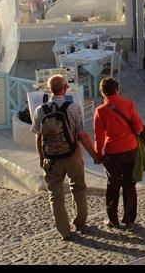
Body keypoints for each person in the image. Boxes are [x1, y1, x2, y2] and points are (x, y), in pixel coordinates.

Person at [32, 75, 99, 240]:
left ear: (49, 89)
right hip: (72, 155)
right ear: (65, 88)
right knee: (78, 187)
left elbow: (38, 137)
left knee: (55, 195)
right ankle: (80, 222)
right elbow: (81, 134)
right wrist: (94, 155)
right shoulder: (73, 108)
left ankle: (64, 231)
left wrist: (41, 157)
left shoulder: (40, 110)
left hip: (51, 158)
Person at [93, 77, 144, 231]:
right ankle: (129, 220)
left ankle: (113, 220)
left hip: (113, 152)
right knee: (129, 184)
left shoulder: (100, 111)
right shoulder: (128, 104)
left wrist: (98, 154)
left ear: (102, 93)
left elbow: (99, 137)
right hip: (130, 149)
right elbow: (139, 128)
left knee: (113, 185)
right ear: (117, 89)